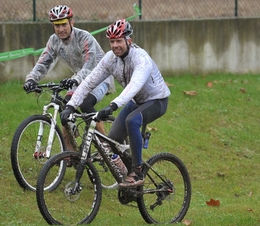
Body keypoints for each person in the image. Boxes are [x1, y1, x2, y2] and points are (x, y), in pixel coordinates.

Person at [60, 19, 170, 188]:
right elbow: (89, 82)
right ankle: (129, 177)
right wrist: (70, 105)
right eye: (112, 41)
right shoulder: (110, 59)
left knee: (132, 121)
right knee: (112, 141)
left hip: (157, 100)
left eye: (119, 41)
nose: (115, 45)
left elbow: (134, 86)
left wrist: (112, 105)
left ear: (129, 40)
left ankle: (138, 171)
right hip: (136, 101)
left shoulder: (141, 59)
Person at [23, 5, 115, 151]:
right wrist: (31, 79)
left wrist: (76, 79)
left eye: (64, 24)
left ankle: (107, 147)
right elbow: (43, 62)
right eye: (56, 25)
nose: (60, 29)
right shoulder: (53, 41)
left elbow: (89, 66)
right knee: (66, 110)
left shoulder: (84, 38)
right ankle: (69, 153)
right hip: (79, 78)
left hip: (100, 77)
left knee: (85, 104)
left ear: (71, 22)